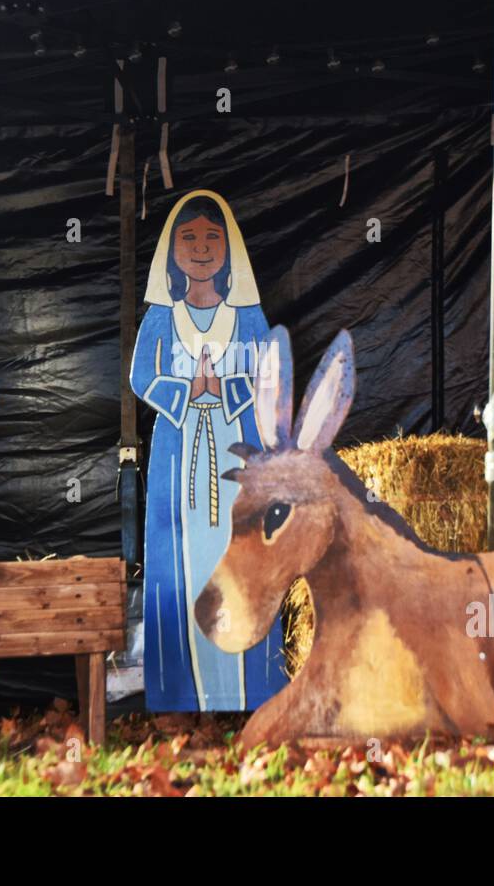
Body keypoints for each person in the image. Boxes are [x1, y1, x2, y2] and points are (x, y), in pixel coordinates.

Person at [130, 189, 287, 711]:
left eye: (212, 238)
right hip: (179, 452)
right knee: (182, 564)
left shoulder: (245, 316)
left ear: (229, 250)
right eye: (189, 238)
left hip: (237, 451)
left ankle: (249, 692)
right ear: (172, 253)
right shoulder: (160, 318)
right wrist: (186, 395)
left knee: (239, 556)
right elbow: (140, 376)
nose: (200, 248)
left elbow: (272, 373)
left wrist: (226, 392)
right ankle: (181, 697)